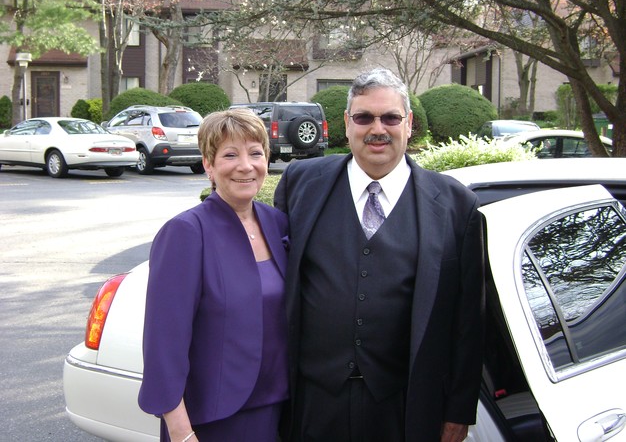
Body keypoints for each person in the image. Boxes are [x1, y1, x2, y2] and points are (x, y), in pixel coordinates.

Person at [274, 68, 485, 442]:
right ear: (347, 123)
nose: (377, 129)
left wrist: (458, 410)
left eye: (390, 118)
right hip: (314, 402)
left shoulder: (456, 205)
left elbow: (468, 321)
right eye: (364, 118)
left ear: (409, 124)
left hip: (404, 407)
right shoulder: (301, 184)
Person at [138, 108, 289, 442]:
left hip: (277, 411)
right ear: (208, 164)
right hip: (211, 420)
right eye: (230, 155)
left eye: (255, 153)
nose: (245, 166)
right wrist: (181, 432)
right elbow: (164, 343)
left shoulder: (277, 223)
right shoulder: (186, 233)